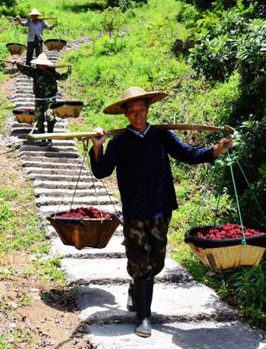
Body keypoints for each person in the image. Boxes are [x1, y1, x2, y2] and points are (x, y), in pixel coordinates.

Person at [89, 86, 233, 338]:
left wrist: (214, 151)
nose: (138, 115)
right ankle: (144, 317)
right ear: (125, 115)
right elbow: (102, 171)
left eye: (141, 110)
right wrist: (98, 147)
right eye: (132, 111)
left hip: (160, 207)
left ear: (148, 109)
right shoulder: (119, 142)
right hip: (134, 210)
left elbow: (187, 154)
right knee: (139, 260)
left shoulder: (161, 136)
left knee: (156, 261)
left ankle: (136, 289)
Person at [16, 53, 71, 147]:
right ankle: (42, 139)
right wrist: (17, 63)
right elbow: (24, 69)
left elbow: (62, 77)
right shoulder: (34, 72)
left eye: (43, 64)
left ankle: (50, 139)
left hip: (50, 99)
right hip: (39, 99)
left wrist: (68, 72)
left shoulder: (52, 72)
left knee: (50, 117)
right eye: (40, 64)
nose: (41, 66)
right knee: (39, 118)